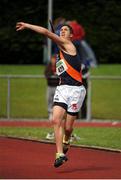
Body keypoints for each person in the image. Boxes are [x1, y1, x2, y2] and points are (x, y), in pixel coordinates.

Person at [16, 22, 86, 168]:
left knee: (68, 128)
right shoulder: (60, 50)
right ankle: (60, 154)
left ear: (71, 35)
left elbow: (46, 33)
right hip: (62, 89)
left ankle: (67, 138)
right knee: (55, 120)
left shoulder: (68, 45)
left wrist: (27, 26)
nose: (62, 31)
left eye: (66, 30)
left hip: (76, 90)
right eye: (61, 30)